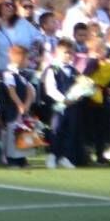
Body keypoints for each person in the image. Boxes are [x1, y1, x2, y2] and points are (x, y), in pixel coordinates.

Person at [42, 39, 81, 169]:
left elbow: (79, 86)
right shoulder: (53, 69)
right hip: (58, 106)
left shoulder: (74, 70)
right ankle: (53, 155)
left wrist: (78, 96)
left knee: (70, 131)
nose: (68, 55)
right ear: (57, 52)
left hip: (72, 106)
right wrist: (63, 99)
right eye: (65, 52)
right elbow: (50, 88)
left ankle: (64, 157)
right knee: (56, 130)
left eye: (71, 53)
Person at [0, 45, 36, 167]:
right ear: (18, 58)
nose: (28, 62)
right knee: (12, 133)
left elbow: (30, 90)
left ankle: (22, 158)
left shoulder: (22, 76)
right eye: (26, 59)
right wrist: (19, 104)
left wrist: (27, 104)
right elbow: (11, 91)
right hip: (12, 109)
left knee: (23, 132)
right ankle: (12, 159)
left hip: (23, 110)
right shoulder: (8, 74)